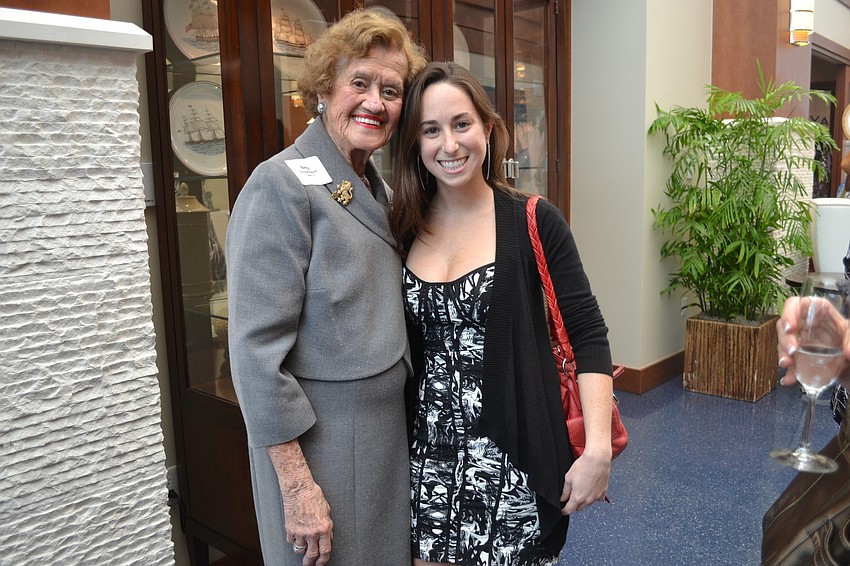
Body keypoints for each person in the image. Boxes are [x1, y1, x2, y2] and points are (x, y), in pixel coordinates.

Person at [389, 61, 615, 565]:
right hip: (429, 461)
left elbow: (588, 334)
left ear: (488, 129)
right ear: (416, 144)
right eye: (431, 130)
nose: (449, 145)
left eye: (461, 124)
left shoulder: (533, 218)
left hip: (511, 459)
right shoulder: (404, 227)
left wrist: (597, 448)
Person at [226, 9, 426, 566]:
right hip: (321, 449)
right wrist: (296, 486)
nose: (375, 102)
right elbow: (254, 354)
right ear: (323, 89)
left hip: (382, 437)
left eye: (391, 90)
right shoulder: (280, 185)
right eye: (358, 83)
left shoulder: (374, 187)